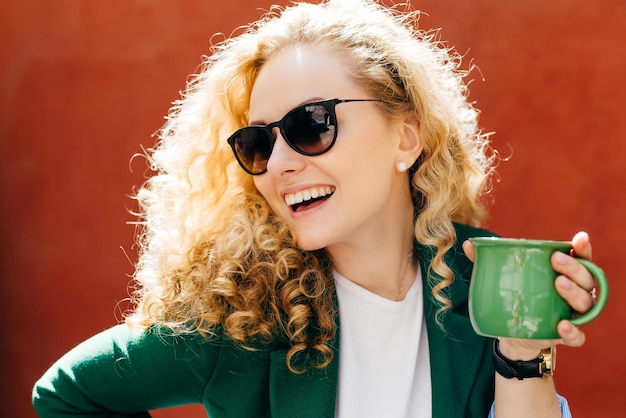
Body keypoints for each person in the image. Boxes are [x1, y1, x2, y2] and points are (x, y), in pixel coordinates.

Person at [32, 0, 598, 417]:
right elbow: (66, 396)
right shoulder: (241, 317)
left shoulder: (487, 282)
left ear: (406, 139)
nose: (278, 164)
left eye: (310, 126)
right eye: (259, 143)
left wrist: (523, 354)